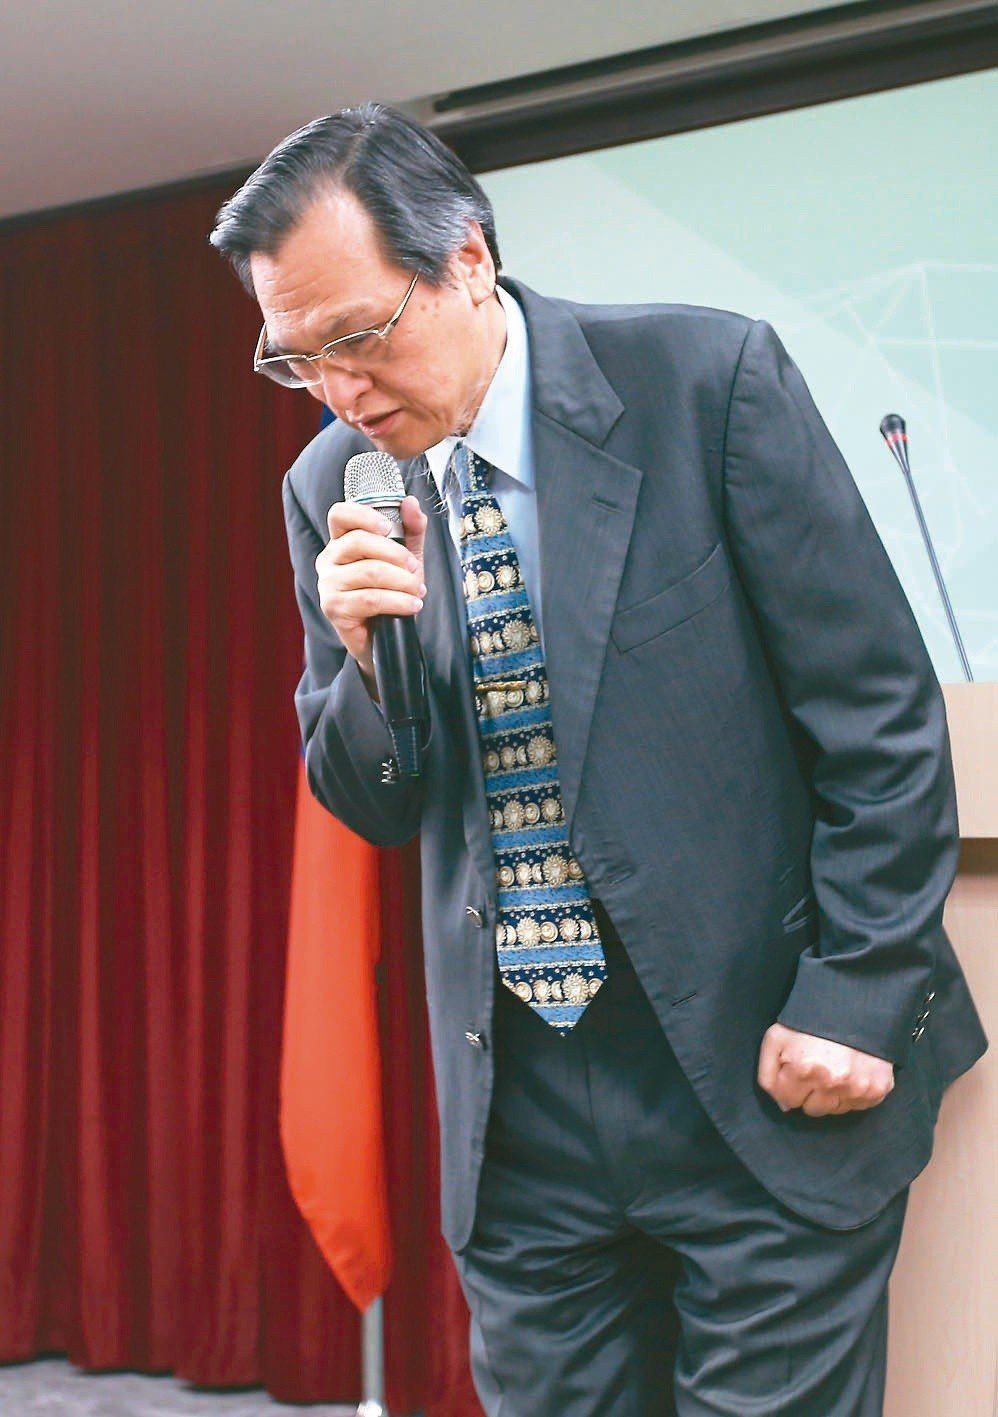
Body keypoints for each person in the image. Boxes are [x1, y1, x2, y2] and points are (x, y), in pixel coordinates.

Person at [210, 103, 986, 1415]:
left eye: (358, 336)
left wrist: (858, 993)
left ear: (466, 260)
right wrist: (363, 660)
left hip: (754, 1068)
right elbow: (372, 804)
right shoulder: (334, 484)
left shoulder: (702, 382)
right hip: (521, 1108)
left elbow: (877, 718)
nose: (338, 390)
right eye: (297, 359)